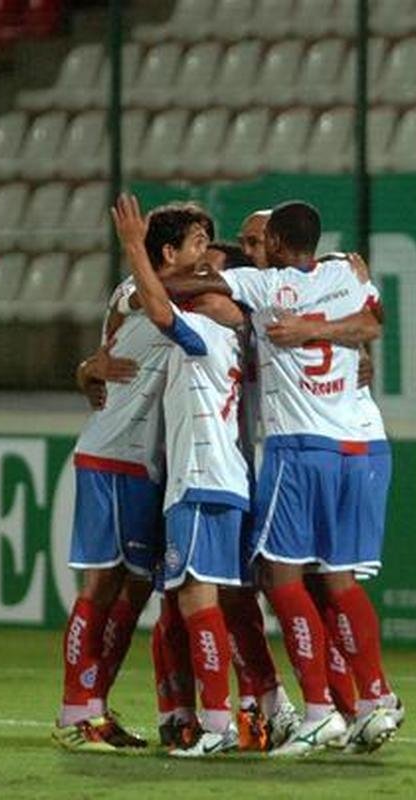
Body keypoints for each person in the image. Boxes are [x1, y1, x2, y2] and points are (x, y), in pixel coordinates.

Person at [168, 200, 396, 756]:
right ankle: (373, 702)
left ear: (272, 243)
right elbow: (373, 322)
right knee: (338, 579)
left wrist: (146, 262)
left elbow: (179, 286)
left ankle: (319, 710)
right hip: (358, 446)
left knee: (278, 578)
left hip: (298, 447)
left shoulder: (260, 287)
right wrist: (329, 328)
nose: (251, 252)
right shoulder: (345, 272)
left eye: (256, 242)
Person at [50, 201, 213, 754]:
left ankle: (95, 703)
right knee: (102, 585)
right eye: (197, 243)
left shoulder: (159, 296)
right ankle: (76, 710)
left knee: (135, 586)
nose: (208, 255)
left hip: (143, 462)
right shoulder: (143, 296)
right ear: (167, 253)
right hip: (114, 455)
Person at [113, 193, 254, 758]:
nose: (201, 273)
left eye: (211, 271)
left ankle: (217, 724)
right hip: (223, 478)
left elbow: (157, 307)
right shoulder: (226, 334)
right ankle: (208, 719)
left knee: (196, 603)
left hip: (198, 478)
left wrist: (131, 247)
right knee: (198, 602)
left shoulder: (206, 334)